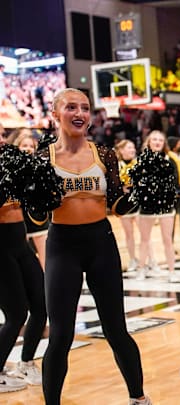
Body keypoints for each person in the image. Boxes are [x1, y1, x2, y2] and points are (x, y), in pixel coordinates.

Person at [32, 88, 150, 405]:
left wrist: (140, 194)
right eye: (71, 107)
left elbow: (116, 204)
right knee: (60, 336)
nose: (80, 112)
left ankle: (138, 398)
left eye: (84, 107)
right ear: (56, 114)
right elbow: (38, 215)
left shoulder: (105, 154)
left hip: (101, 243)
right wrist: (35, 197)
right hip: (62, 246)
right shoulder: (43, 158)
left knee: (116, 329)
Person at [0, 127, 46, 392]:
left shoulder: (12, 162)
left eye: (2, 134)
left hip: (21, 243)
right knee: (16, 314)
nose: (2, 139)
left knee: (42, 305)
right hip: (0, 248)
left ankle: (26, 362)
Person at [136, 131, 180, 282]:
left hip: (165, 205)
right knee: (144, 239)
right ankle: (141, 269)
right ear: (148, 142)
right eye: (154, 139)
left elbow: (175, 182)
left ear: (164, 143)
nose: (157, 142)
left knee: (167, 239)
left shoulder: (169, 160)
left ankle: (172, 271)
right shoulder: (142, 160)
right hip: (147, 205)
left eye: (160, 140)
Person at [13, 130, 48, 269]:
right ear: (18, 148)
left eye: (31, 146)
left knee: (45, 260)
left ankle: (47, 289)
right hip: (19, 220)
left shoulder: (40, 167)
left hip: (39, 219)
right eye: (24, 145)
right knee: (24, 261)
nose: (28, 148)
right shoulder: (11, 168)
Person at [116, 140, 141, 272]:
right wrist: (121, 188)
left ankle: (148, 260)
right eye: (129, 148)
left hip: (139, 203)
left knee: (144, 234)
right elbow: (111, 184)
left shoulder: (138, 163)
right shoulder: (117, 165)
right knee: (129, 234)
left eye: (133, 147)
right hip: (125, 204)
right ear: (121, 150)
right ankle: (132, 259)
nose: (132, 150)